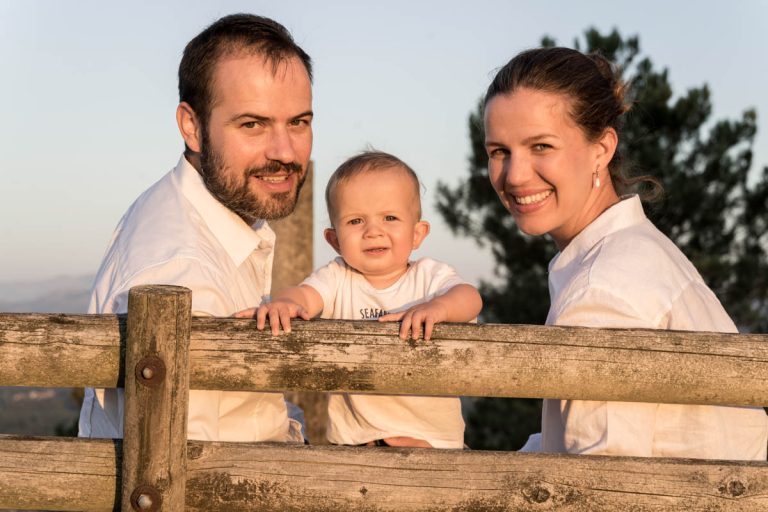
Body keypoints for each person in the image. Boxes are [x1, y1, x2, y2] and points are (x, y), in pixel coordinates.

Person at [483, 47, 768, 459]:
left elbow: (600, 483)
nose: (515, 175)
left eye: (541, 146)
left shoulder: (602, 289)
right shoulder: (632, 252)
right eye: (499, 151)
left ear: (602, 148)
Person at [78, 13, 314, 443]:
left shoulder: (185, 210)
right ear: (192, 126)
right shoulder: (183, 274)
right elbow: (184, 482)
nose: (285, 151)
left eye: (298, 121)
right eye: (253, 124)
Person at [238, 151, 482, 448]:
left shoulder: (430, 279)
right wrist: (285, 303)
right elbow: (306, 295)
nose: (373, 231)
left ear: (418, 233)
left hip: (432, 444)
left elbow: (470, 297)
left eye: (390, 218)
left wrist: (437, 308)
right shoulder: (338, 278)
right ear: (335, 240)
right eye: (355, 221)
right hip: (358, 446)